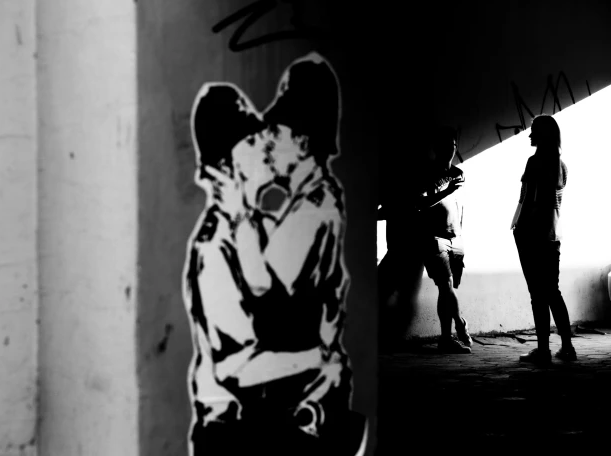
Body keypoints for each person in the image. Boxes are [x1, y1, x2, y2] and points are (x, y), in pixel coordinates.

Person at [183, 54, 367, 456]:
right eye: (251, 140)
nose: (264, 143)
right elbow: (237, 366)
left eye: (268, 134)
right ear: (225, 168)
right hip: (232, 433)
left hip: (285, 422)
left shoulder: (286, 217)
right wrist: (320, 358)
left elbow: (272, 294)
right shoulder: (214, 247)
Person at [377, 126, 472, 354]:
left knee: (448, 288)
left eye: (453, 145)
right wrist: (446, 191)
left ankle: (453, 329)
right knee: (445, 286)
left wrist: (460, 232)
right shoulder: (428, 174)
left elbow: (459, 206)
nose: (449, 149)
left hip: (454, 237)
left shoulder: (458, 173)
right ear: (436, 148)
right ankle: (453, 332)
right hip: (434, 237)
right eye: (445, 145)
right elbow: (418, 204)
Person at [511, 114, 577, 364]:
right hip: (552, 236)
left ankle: (543, 350)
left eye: (534, 131)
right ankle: (567, 347)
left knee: (537, 294)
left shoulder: (534, 162)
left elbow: (527, 200)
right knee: (552, 291)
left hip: (531, 234)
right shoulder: (562, 166)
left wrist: (518, 227)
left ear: (544, 135)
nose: (530, 135)